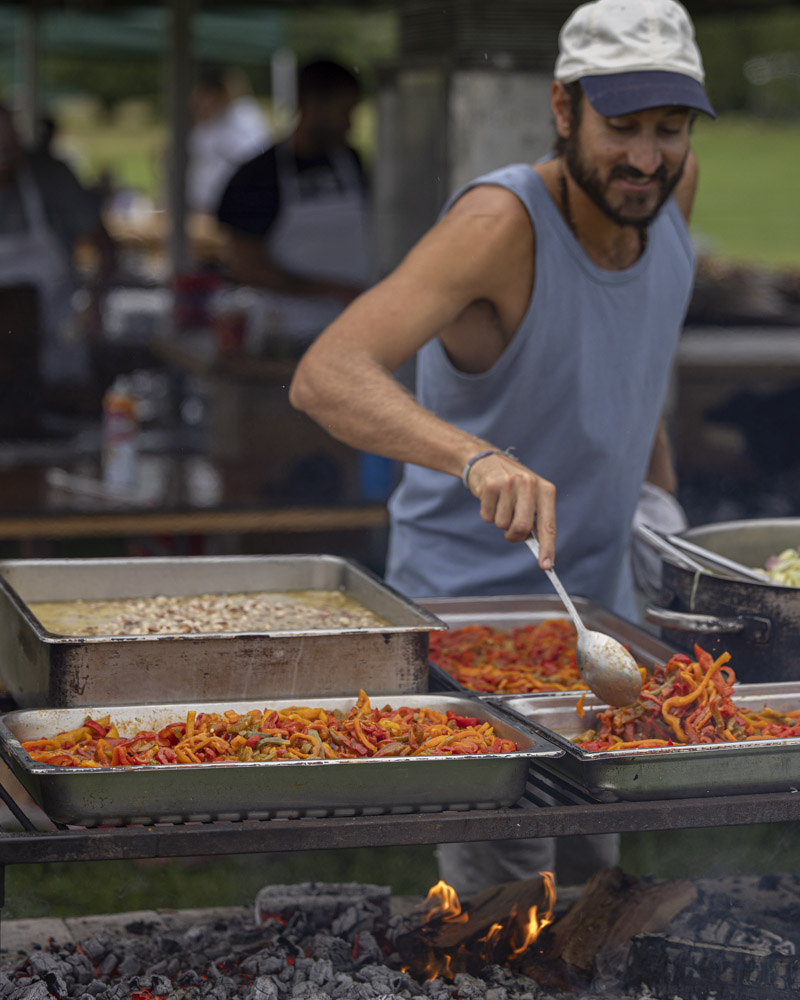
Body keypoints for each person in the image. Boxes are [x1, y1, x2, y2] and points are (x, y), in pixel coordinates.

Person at [290, 0, 715, 890]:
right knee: (509, 905)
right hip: (474, 628)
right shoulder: (498, 225)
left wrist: (659, 509)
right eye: (622, 126)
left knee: (597, 883)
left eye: (669, 128)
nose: (646, 157)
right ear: (564, 108)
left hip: (601, 622)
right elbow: (326, 374)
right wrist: (474, 455)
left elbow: (635, 360)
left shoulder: (668, 194)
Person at [216, 58, 370, 354]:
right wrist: (332, 291)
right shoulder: (258, 176)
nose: (350, 124)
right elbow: (247, 266)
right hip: (286, 336)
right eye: (345, 112)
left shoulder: (352, 163)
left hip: (357, 328)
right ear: (312, 105)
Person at [0, 103, 115, 392]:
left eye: (9, 148)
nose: (4, 158)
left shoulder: (50, 178)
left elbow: (105, 247)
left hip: (58, 343)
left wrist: (94, 302)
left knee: (64, 401)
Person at [186, 68, 271, 216]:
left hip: (229, 204)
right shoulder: (203, 124)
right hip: (200, 203)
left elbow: (251, 155)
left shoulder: (243, 115)